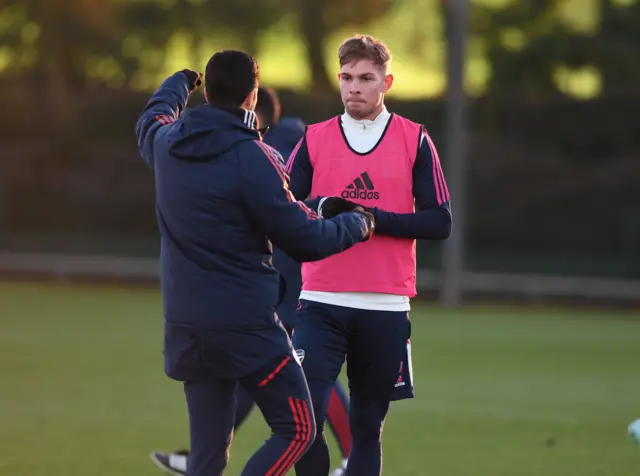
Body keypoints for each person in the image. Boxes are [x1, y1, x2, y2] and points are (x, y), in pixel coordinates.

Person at [135, 50, 375, 476]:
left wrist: (177, 82)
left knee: (207, 457)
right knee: (299, 430)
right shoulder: (254, 156)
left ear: (207, 91)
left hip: (188, 326)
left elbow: (150, 120)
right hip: (247, 328)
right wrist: (356, 225)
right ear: (252, 98)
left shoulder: (168, 145)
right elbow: (303, 238)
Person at [286, 35, 452, 475]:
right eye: (346, 77)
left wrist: (369, 218)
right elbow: (279, 209)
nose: (353, 87)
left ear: (386, 82)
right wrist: (321, 210)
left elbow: (440, 221)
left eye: (365, 78)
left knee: (366, 429)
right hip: (320, 303)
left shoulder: (414, 140)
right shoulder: (314, 138)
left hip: (385, 306)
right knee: (304, 422)